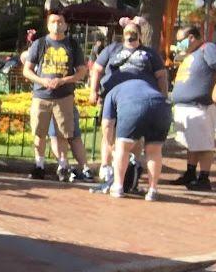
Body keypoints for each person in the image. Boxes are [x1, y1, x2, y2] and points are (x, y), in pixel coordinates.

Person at [88, 17, 166, 186]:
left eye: (134, 32)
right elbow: (97, 69)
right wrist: (93, 91)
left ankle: (132, 167)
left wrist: (164, 95)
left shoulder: (150, 53)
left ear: (139, 34)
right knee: (109, 129)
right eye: (127, 32)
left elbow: (161, 76)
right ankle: (106, 165)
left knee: (136, 136)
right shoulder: (112, 49)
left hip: (139, 100)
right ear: (123, 33)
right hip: (113, 97)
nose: (130, 35)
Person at [22, 12, 93, 182]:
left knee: (62, 134)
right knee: (39, 133)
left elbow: (82, 71)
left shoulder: (72, 45)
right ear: (48, 24)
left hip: (64, 96)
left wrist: (63, 80)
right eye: (53, 21)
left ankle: (62, 166)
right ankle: (39, 165)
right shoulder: (40, 44)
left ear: (66, 25)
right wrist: (42, 81)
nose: (57, 25)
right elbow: (27, 70)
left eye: (60, 21)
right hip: (42, 96)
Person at [167, 24, 216, 192]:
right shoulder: (191, 54)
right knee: (192, 143)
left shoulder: (208, 48)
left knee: (204, 144)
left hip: (201, 106)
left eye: (180, 40)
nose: (178, 44)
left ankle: (204, 178)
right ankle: (190, 173)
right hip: (187, 107)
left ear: (191, 37)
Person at [99, 78, 171, 201]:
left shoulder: (111, 93)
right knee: (154, 150)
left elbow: (106, 124)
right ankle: (152, 190)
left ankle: (118, 186)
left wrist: (109, 145)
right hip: (161, 105)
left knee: (122, 147)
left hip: (134, 106)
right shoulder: (144, 85)